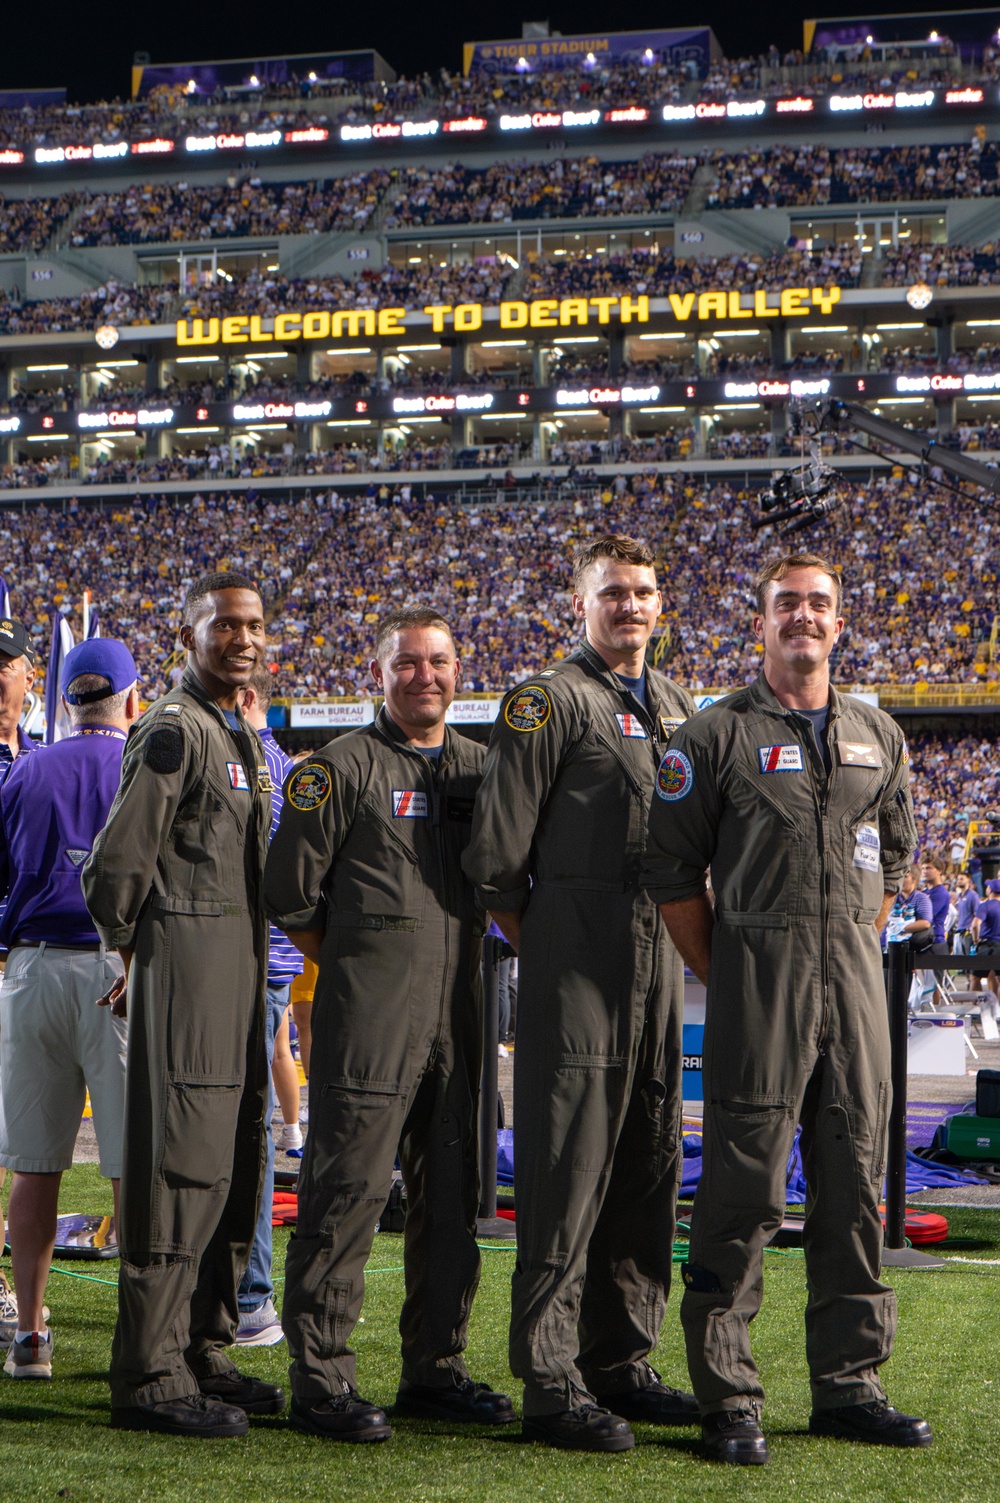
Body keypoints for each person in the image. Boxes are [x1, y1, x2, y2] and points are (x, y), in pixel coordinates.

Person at [643, 551, 931, 1465]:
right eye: (785, 605)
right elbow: (672, 872)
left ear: (839, 622)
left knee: (854, 1193)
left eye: (819, 604)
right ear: (758, 621)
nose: (803, 617)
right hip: (757, 990)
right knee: (741, 1195)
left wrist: (844, 940)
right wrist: (731, 964)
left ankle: (851, 1385)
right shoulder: (712, 736)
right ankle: (728, 1393)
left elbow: (890, 859)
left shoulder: (877, 733)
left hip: (853, 992)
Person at [463, 534, 699, 1454]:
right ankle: (551, 1379)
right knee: (565, 1176)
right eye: (613, 593)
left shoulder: (677, 703)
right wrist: (558, 949)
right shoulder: (544, 703)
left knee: (648, 1168)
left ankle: (620, 1359)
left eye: (643, 591)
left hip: (658, 970)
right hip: (579, 968)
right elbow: (495, 864)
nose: (630, 606)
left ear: (659, 602)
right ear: (580, 604)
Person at [265, 606, 513, 1442]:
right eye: (407, 663)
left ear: (458, 668)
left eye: (439, 661)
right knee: (347, 1193)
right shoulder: (336, 769)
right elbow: (291, 894)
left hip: (460, 1013)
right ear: (380, 673)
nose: (425, 677)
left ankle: (434, 1367)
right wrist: (361, 961)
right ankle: (322, 1376)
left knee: (452, 1196)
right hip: (370, 1015)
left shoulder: (485, 770)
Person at [82, 571, 281, 1438]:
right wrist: (145, 959)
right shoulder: (171, 730)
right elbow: (114, 872)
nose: (242, 638)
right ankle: (150, 1373)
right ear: (188, 635)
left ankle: (201, 1345)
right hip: (192, 973)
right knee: (179, 1168)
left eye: (254, 625)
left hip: (236, 972)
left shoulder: (232, 727)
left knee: (234, 1162)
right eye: (224, 625)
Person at [0, 639, 138, 1379]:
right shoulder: (145, 764)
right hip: (118, 965)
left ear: (65, 701)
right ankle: (139, 1336)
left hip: (30, 965)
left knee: (34, 1164)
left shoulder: (25, 767)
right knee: (129, 1166)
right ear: (131, 697)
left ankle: (29, 1333)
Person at [234, 665, 304, 1349]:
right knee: (245, 1126)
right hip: (268, 967)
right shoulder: (278, 771)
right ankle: (245, 1294)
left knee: (235, 1130)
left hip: (243, 970)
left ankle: (248, 1295)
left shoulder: (255, 768)